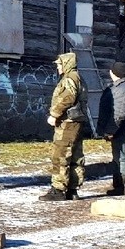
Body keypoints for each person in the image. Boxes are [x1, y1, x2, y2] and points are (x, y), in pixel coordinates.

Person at [41, 51, 89, 201]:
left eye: (59, 64)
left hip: (68, 122)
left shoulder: (70, 78)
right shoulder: (78, 77)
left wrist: (54, 114)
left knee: (60, 154)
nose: (58, 67)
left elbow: (67, 98)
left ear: (67, 64)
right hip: (77, 121)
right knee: (75, 155)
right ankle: (72, 190)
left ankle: (58, 189)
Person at [97, 61, 125, 196]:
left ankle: (124, 187)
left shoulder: (122, 89)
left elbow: (119, 113)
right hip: (123, 129)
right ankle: (119, 185)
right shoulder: (124, 86)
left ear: (115, 73)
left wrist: (111, 131)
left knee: (121, 157)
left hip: (121, 130)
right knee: (118, 156)